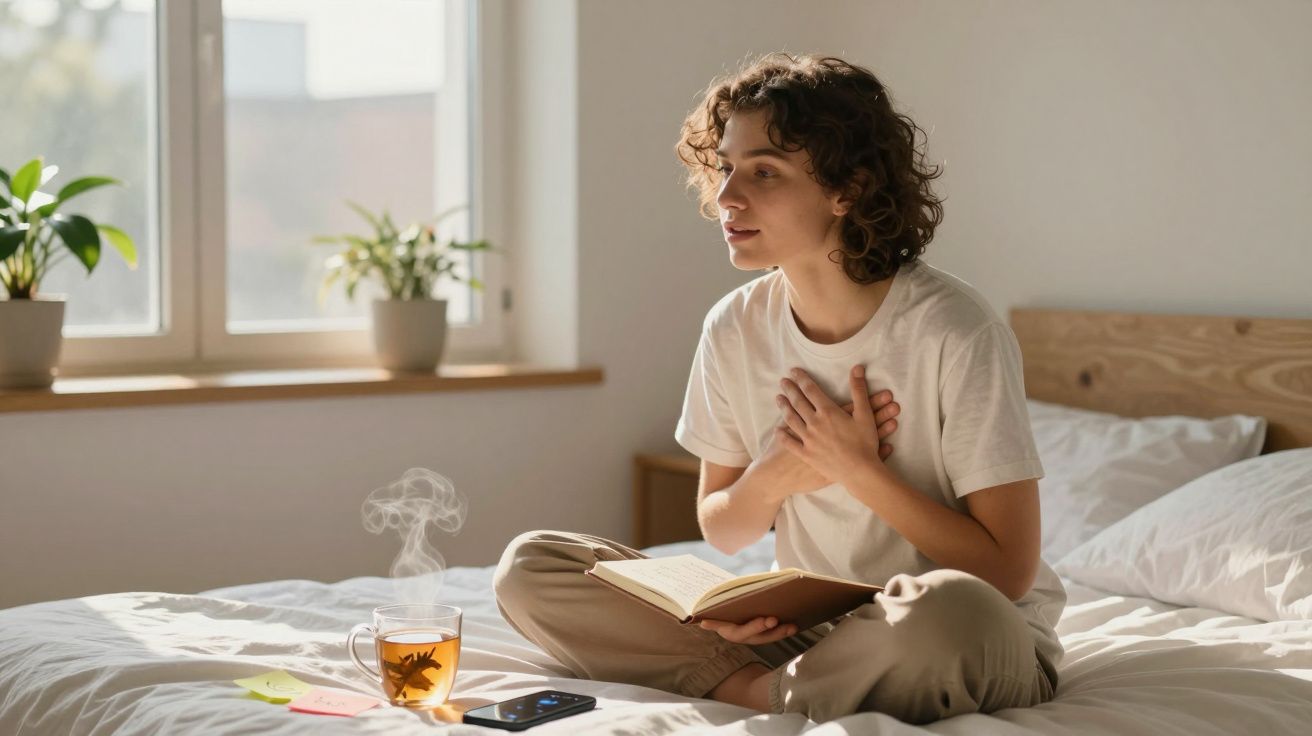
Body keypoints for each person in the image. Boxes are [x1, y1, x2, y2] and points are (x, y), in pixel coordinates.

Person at [494, 52, 1064, 725]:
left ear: (846, 188)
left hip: (957, 633)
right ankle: (775, 687)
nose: (729, 197)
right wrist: (775, 477)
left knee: (950, 609)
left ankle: (759, 692)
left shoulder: (954, 330)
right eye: (727, 168)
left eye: (765, 172)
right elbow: (722, 526)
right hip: (816, 628)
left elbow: (1005, 573)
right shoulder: (735, 326)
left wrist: (852, 467)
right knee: (533, 567)